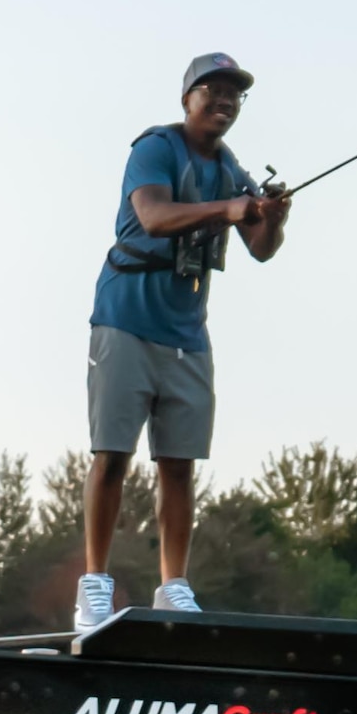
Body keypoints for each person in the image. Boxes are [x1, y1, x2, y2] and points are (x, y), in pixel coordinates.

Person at [78, 53, 289, 638]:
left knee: (179, 466)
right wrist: (229, 207)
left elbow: (262, 248)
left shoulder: (231, 167)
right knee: (112, 455)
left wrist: (273, 215)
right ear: (187, 98)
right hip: (124, 318)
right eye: (212, 90)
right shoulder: (155, 148)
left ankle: (174, 588)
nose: (224, 101)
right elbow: (151, 216)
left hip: (188, 332)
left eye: (234, 94)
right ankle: (94, 588)